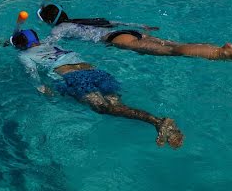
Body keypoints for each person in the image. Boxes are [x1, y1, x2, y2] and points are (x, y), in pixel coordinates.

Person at [10, 12, 184, 149]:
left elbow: (32, 72)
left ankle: (158, 122)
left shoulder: (24, 55)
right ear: (37, 40)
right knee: (117, 107)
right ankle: (157, 121)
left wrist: (40, 87)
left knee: (104, 109)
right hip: (94, 71)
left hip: (74, 78)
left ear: (19, 46)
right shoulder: (52, 43)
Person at [37, 0, 232, 64]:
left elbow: (45, 45)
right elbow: (115, 22)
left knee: (171, 51)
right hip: (128, 32)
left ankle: (222, 52)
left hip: (116, 40)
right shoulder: (81, 19)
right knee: (175, 45)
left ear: (49, 21)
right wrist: (141, 26)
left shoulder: (60, 29)